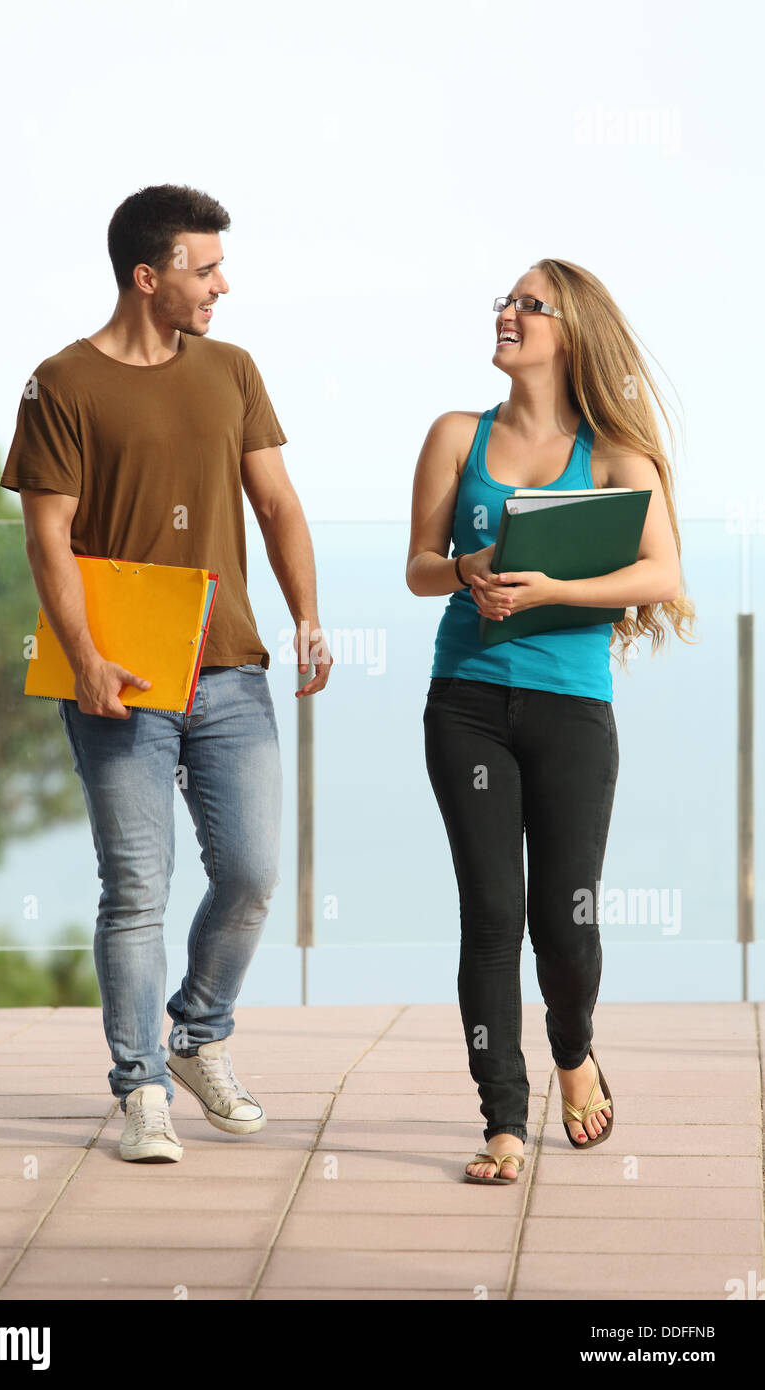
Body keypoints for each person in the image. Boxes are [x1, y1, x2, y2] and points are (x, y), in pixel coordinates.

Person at [0, 183, 331, 1162]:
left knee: (252, 872)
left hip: (229, 663)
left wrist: (308, 616)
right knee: (135, 885)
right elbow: (47, 540)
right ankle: (141, 1085)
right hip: (117, 676)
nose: (222, 284)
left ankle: (197, 1031)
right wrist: (88, 657)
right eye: (205, 267)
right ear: (149, 278)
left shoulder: (231, 370)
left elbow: (275, 505)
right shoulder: (58, 383)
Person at [407, 259, 693, 1184]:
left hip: (572, 709)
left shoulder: (614, 453)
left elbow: (662, 577)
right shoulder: (457, 434)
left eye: (531, 304)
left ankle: (573, 1050)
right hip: (466, 702)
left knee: (563, 922)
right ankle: (499, 1120)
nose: (508, 312)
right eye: (507, 299)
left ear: (572, 333)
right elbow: (418, 565)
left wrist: (556, 587)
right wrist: (469, 565)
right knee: (488, 916)